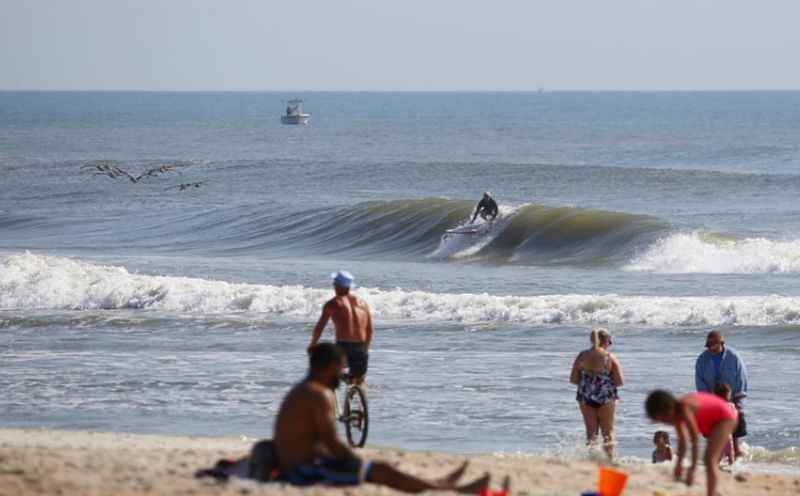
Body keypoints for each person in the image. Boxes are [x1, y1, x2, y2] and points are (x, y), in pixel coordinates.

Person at [273, 343, 491, 492]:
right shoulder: (318, 394)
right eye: (340, 368)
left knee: (379, 466)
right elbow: (331, 442)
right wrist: (357, 461)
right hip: (304, 472)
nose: (342, 374)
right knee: (379, 470)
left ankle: (440, 484)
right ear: (329, 367)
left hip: (300, 464)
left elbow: (313, 441)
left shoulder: (303, 390)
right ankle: (447, 489)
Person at [645, 390, 738, 496]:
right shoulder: (678, 414)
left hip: (725, 419)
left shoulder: (685, 408)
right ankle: (714, 491)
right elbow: (683, 441)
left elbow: (694, 439)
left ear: (668, 409)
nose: (665, 423)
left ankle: (711, 493)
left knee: (709, 459)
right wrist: (678, 464)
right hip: (713, 422)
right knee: (711, 459)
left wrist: (692, 469)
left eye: (663, 420)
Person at [309, 271, 373, 386]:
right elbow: (370, 330)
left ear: (338, 285)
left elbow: (319, 327)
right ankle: (362, 402)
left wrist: (313, 345)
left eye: (334, 283)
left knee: (327, 372)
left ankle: (330, 399)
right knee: (361, 380)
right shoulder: (363, 303)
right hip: (361, 347)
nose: (333, 285)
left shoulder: (333, 303)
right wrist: (365, 349)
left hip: (343, 347)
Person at [569, 328, 624, 459]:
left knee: (591, 433)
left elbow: (573, 379)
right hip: (606, 397)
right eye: (610, 342)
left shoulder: (582, 356)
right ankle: (609, 460)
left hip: (585, 396)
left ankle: (591, 460)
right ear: (605, 341)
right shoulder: (609, 357)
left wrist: (589, 384)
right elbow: (620, 382)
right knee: (608, 433)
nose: (610, 344)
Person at [695, 330, 748, 458]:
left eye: (714, 345)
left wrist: (738, 401)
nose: (711, 348)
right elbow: (699, 381)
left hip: (732, 398)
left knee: (734, 432)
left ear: (722, 343)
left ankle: (735, 458)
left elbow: (742, 378)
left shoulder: (734, 357)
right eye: (709, 345)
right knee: (712, 433)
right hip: (712, 400)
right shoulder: (702, 359)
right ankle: (716, 458)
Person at [713, 383, 737, 466]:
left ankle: (715, 465)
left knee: (718, 452)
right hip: (727, 434)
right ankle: (732, 465)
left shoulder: (714, 406)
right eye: (729, 395)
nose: (730, 397)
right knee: (730, 452)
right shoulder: (730, 405)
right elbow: (734, 417)